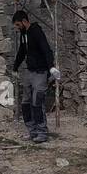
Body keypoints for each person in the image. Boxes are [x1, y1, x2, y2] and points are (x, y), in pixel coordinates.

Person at [12, 9, 56, 144]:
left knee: (37, 102)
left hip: (40, 72)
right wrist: (15, 67)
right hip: (29, 72)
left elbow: (46, 49)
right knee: (26, 102)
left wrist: (51, 67)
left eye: (18, 25)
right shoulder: (23, 34)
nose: (17, 28)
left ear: (25, 22)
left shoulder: (36, 31)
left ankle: (42, 132)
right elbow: (22, 51)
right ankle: (32, 131)